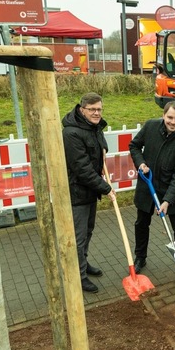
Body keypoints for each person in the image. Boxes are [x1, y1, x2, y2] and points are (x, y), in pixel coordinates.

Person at [129, 101, 175, 283]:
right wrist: (140, 163)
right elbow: (134, 146)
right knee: (141, 223)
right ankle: (140, 257)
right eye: (170, 118)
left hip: (170, 191)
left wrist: (167, 200)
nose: (173, 122)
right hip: (147, 186)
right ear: (163, 116)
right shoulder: (151, 127)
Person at [62, 93, 116, 294]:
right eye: (92, 109)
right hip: (77, 193)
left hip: (90, 192)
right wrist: (106, 188)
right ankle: (79, 276)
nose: (96, 113)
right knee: (79, 237)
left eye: (99, 109)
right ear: (82, 109)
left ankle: (83, 264)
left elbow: (100, 151)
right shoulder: (71, 133)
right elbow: (82, 169)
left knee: (88, 231)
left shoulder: (95, 127)